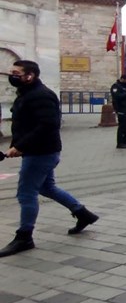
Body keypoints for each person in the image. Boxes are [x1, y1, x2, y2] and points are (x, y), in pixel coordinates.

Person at [1, 60, 99, 257]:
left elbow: (47, 125)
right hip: (38, 151)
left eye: (16, 73)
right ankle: (83, 214)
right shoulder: (27, 93)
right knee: (47, 187)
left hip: (41, 153)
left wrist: (20, 145)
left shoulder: (41, 95)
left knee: (26, 194)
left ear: (30, 75)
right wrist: (19, 146)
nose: (12, 76)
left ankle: (24, 237)